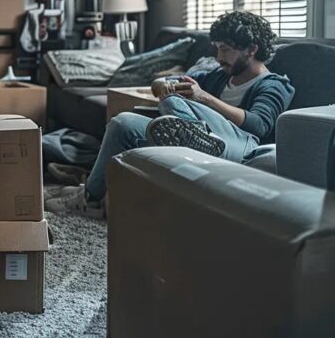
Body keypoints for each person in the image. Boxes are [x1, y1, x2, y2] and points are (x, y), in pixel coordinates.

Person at [46, 11, 295, 218]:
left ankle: (192, 137)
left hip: (240, 146)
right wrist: (163, 84)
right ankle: (90, 199)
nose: (219, 57)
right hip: (198, 132)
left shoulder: (273, 85)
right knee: (122, 123)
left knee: (174, 100)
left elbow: (259, 125)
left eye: (226, 49)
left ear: (252, 49)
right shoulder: (220, 75)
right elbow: (173, 81)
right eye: (217, 49)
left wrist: (203, 98)